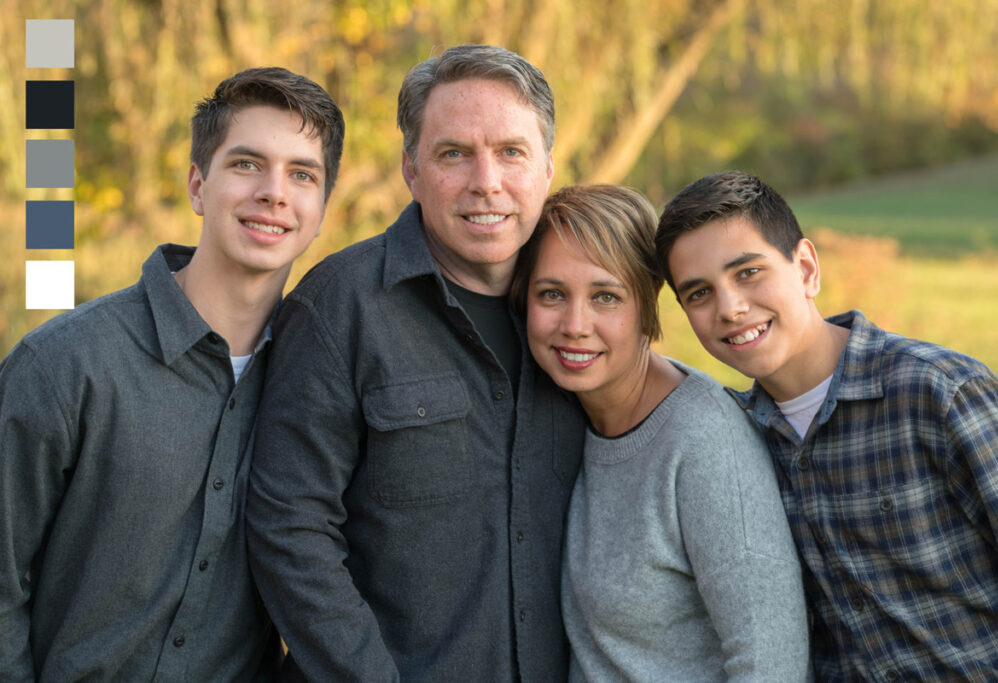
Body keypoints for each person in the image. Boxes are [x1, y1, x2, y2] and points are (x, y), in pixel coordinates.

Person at [245, 45, 585, 681]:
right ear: (411, 169)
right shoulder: (339, 308)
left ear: (546, 167)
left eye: (511, 151)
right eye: (454, 153)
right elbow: (290, 528)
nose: (486, 181)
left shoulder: (582, 312)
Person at [0, 67, 344, 681]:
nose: (274, 192)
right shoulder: (65, 366)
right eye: (246, 164)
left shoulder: (327, 385)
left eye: (302, 174)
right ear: (196, 185)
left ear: (320, 213)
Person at [655, 169, 998, 681]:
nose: (730, 308)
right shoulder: (733, 438)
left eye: (748, 273)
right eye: (698, 293)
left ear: (806, 268)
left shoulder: (937, 392)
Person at [509, 184, 810, 681]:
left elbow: (770, 661)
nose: (575, 325)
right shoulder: (557, 414)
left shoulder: (703, 441)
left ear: (648, 302)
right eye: (552, 295)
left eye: (606, 296)